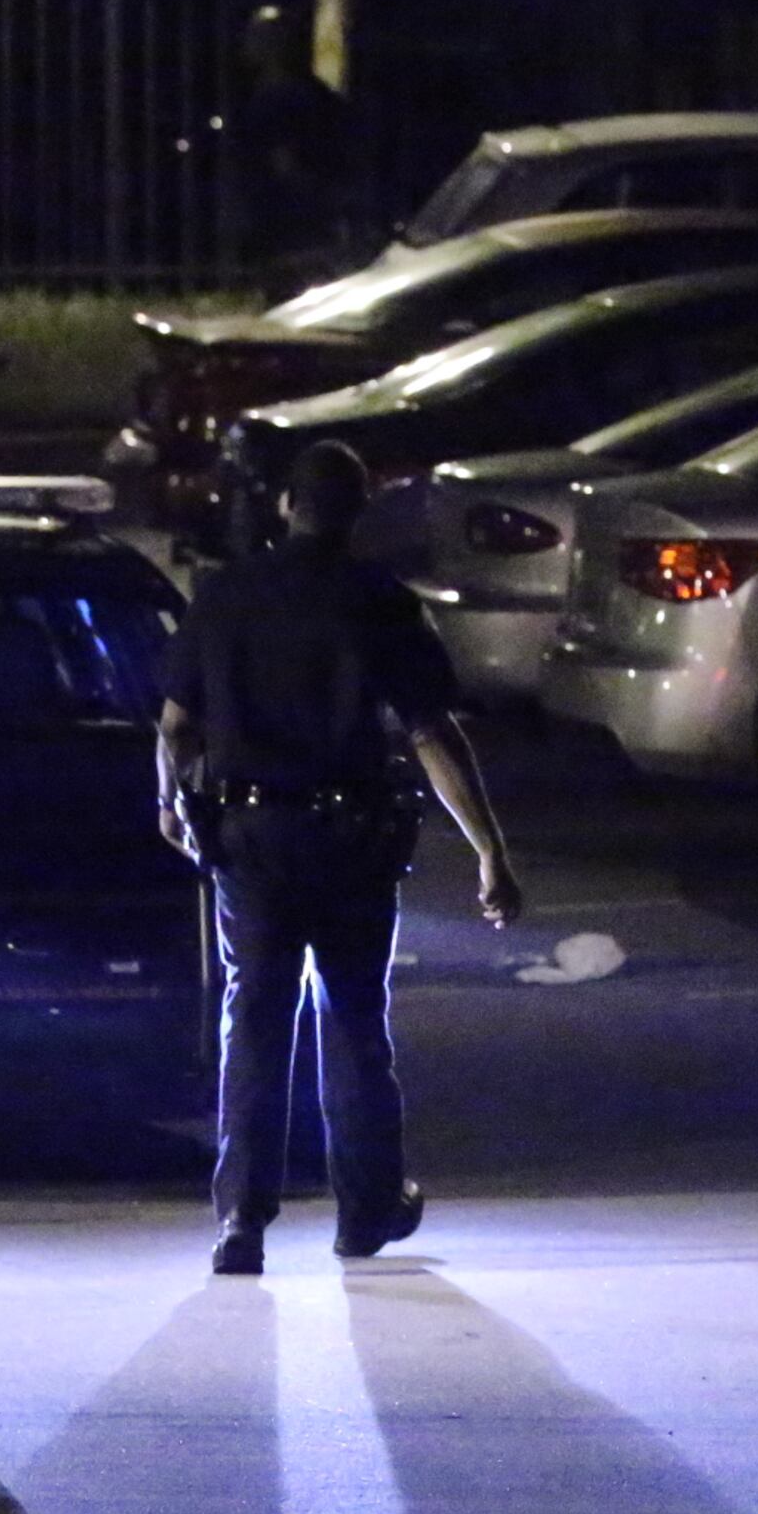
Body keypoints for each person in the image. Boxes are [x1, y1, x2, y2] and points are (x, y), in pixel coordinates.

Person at [158, 440, 524, 1277]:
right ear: (358, 512)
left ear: (288, 505)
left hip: (250, 840)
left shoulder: (225, 595)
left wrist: (172, 805)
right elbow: (432, 732)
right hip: (352, 839)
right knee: (356, 1022)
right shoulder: (380, 601)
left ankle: (241, 1224)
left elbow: (176, 724)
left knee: (254, 1022)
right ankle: (365, 1210)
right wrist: (488, 851)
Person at [221, 3, 355, 285]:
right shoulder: (316, 93)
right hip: (310, 221)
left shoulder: (275, 98)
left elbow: (284, 164)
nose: (247, 45)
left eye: (256, 38)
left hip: (287, 224)